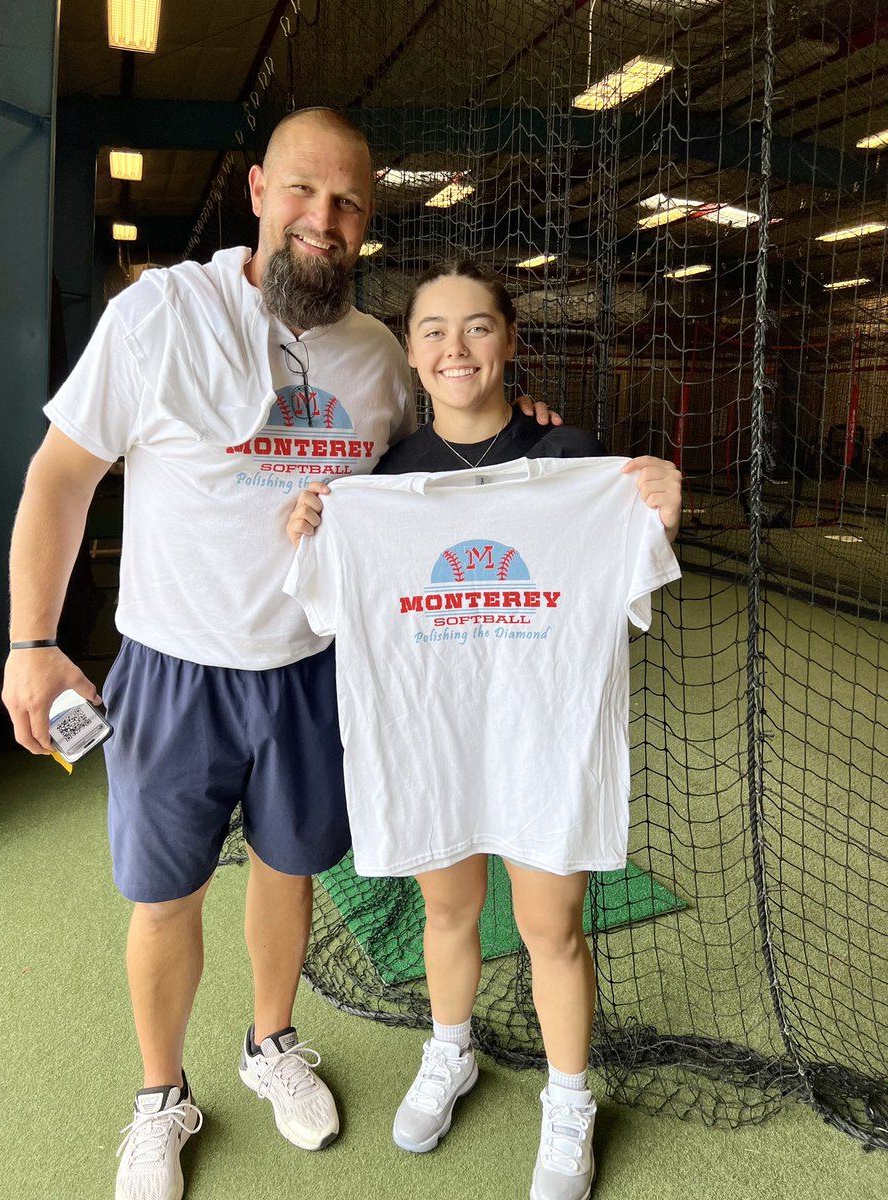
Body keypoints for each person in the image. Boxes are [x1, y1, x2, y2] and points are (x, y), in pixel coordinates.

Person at [1, 111, 558, 1200]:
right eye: (306, 192)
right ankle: (159, 1097)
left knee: (290, 871)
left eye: (349, 204)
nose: (326, 219)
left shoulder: (377, 355)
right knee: (162, 897)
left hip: (313, 669)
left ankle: (270, 1044)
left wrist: (520, 419)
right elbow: (61, 479)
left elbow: (440, 450)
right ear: (259, 190)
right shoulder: (162, 314)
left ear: (366, 226)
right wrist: (30, 642)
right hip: (175, 664)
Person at [287, 260, 682, 1200]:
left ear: (508, 342)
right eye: (432, 330)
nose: (454, 347)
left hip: (545, 742)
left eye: (475, 327)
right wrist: (314, 525)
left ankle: (570, 1099)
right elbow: (327, 602)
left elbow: (635, 570)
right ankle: (450, 1050)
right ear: (412, 355)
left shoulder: (581, 461)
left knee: (552, 927)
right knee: (448, 909)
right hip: (436, 743)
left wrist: (661, 504)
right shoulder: (376, 485)